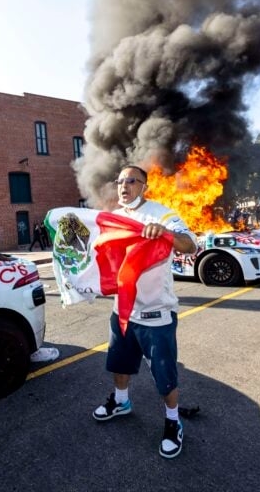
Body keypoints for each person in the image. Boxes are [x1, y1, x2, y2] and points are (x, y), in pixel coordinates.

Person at [92, 165, 197, 459]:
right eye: (120, 181)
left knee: (164, 376)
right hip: (123, 311)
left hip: (156, 313)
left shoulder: (161, 214)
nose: (124, 186)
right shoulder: (113, 218)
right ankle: (121, 401)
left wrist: (166, 233)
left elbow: (190, 244)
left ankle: (173, 421)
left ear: (144, 186)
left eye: (131, 181)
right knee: (119, 364)